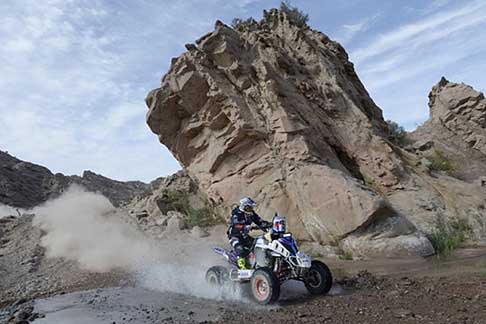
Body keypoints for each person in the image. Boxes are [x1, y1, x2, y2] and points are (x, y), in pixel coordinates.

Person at [227, 197, 270, 269]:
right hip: (235, 236)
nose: (251, 209)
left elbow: (260, 222)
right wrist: (244, 227)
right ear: (244, 206)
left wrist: (269, 225)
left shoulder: (251, 214)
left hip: (245, 236)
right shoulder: (236, 213)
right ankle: (242, 268)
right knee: (240, 249)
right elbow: (235, 224)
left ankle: (256, 264)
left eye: (251, 208)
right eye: (249, 207)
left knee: (258, 246)